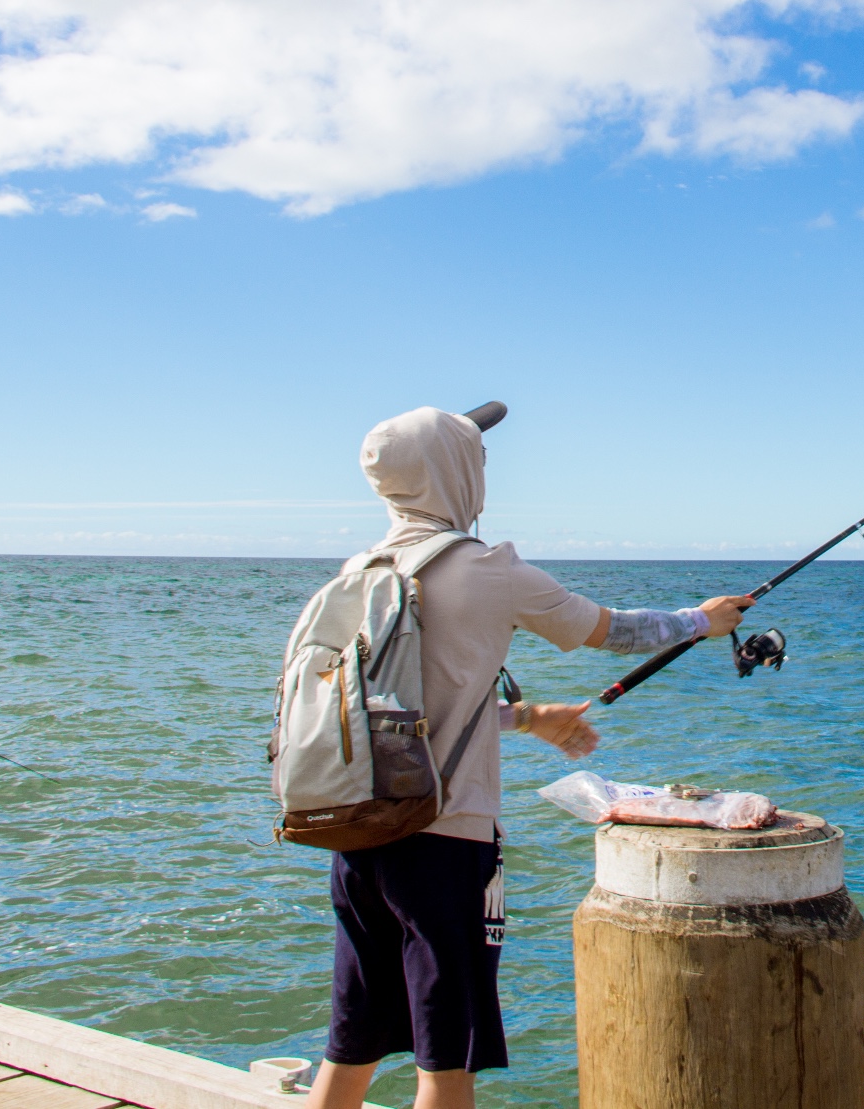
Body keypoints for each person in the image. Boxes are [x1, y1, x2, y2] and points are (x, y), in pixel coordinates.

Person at [300, 403, 753, 1109]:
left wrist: (528, 717)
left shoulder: (362, 571)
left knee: (350, 1042)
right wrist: (702, 620)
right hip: (444, 846)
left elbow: (401, 717)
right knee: (447, 1059)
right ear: (456, 470)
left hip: (357, 836)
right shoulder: (489, 570)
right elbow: (614, 631)